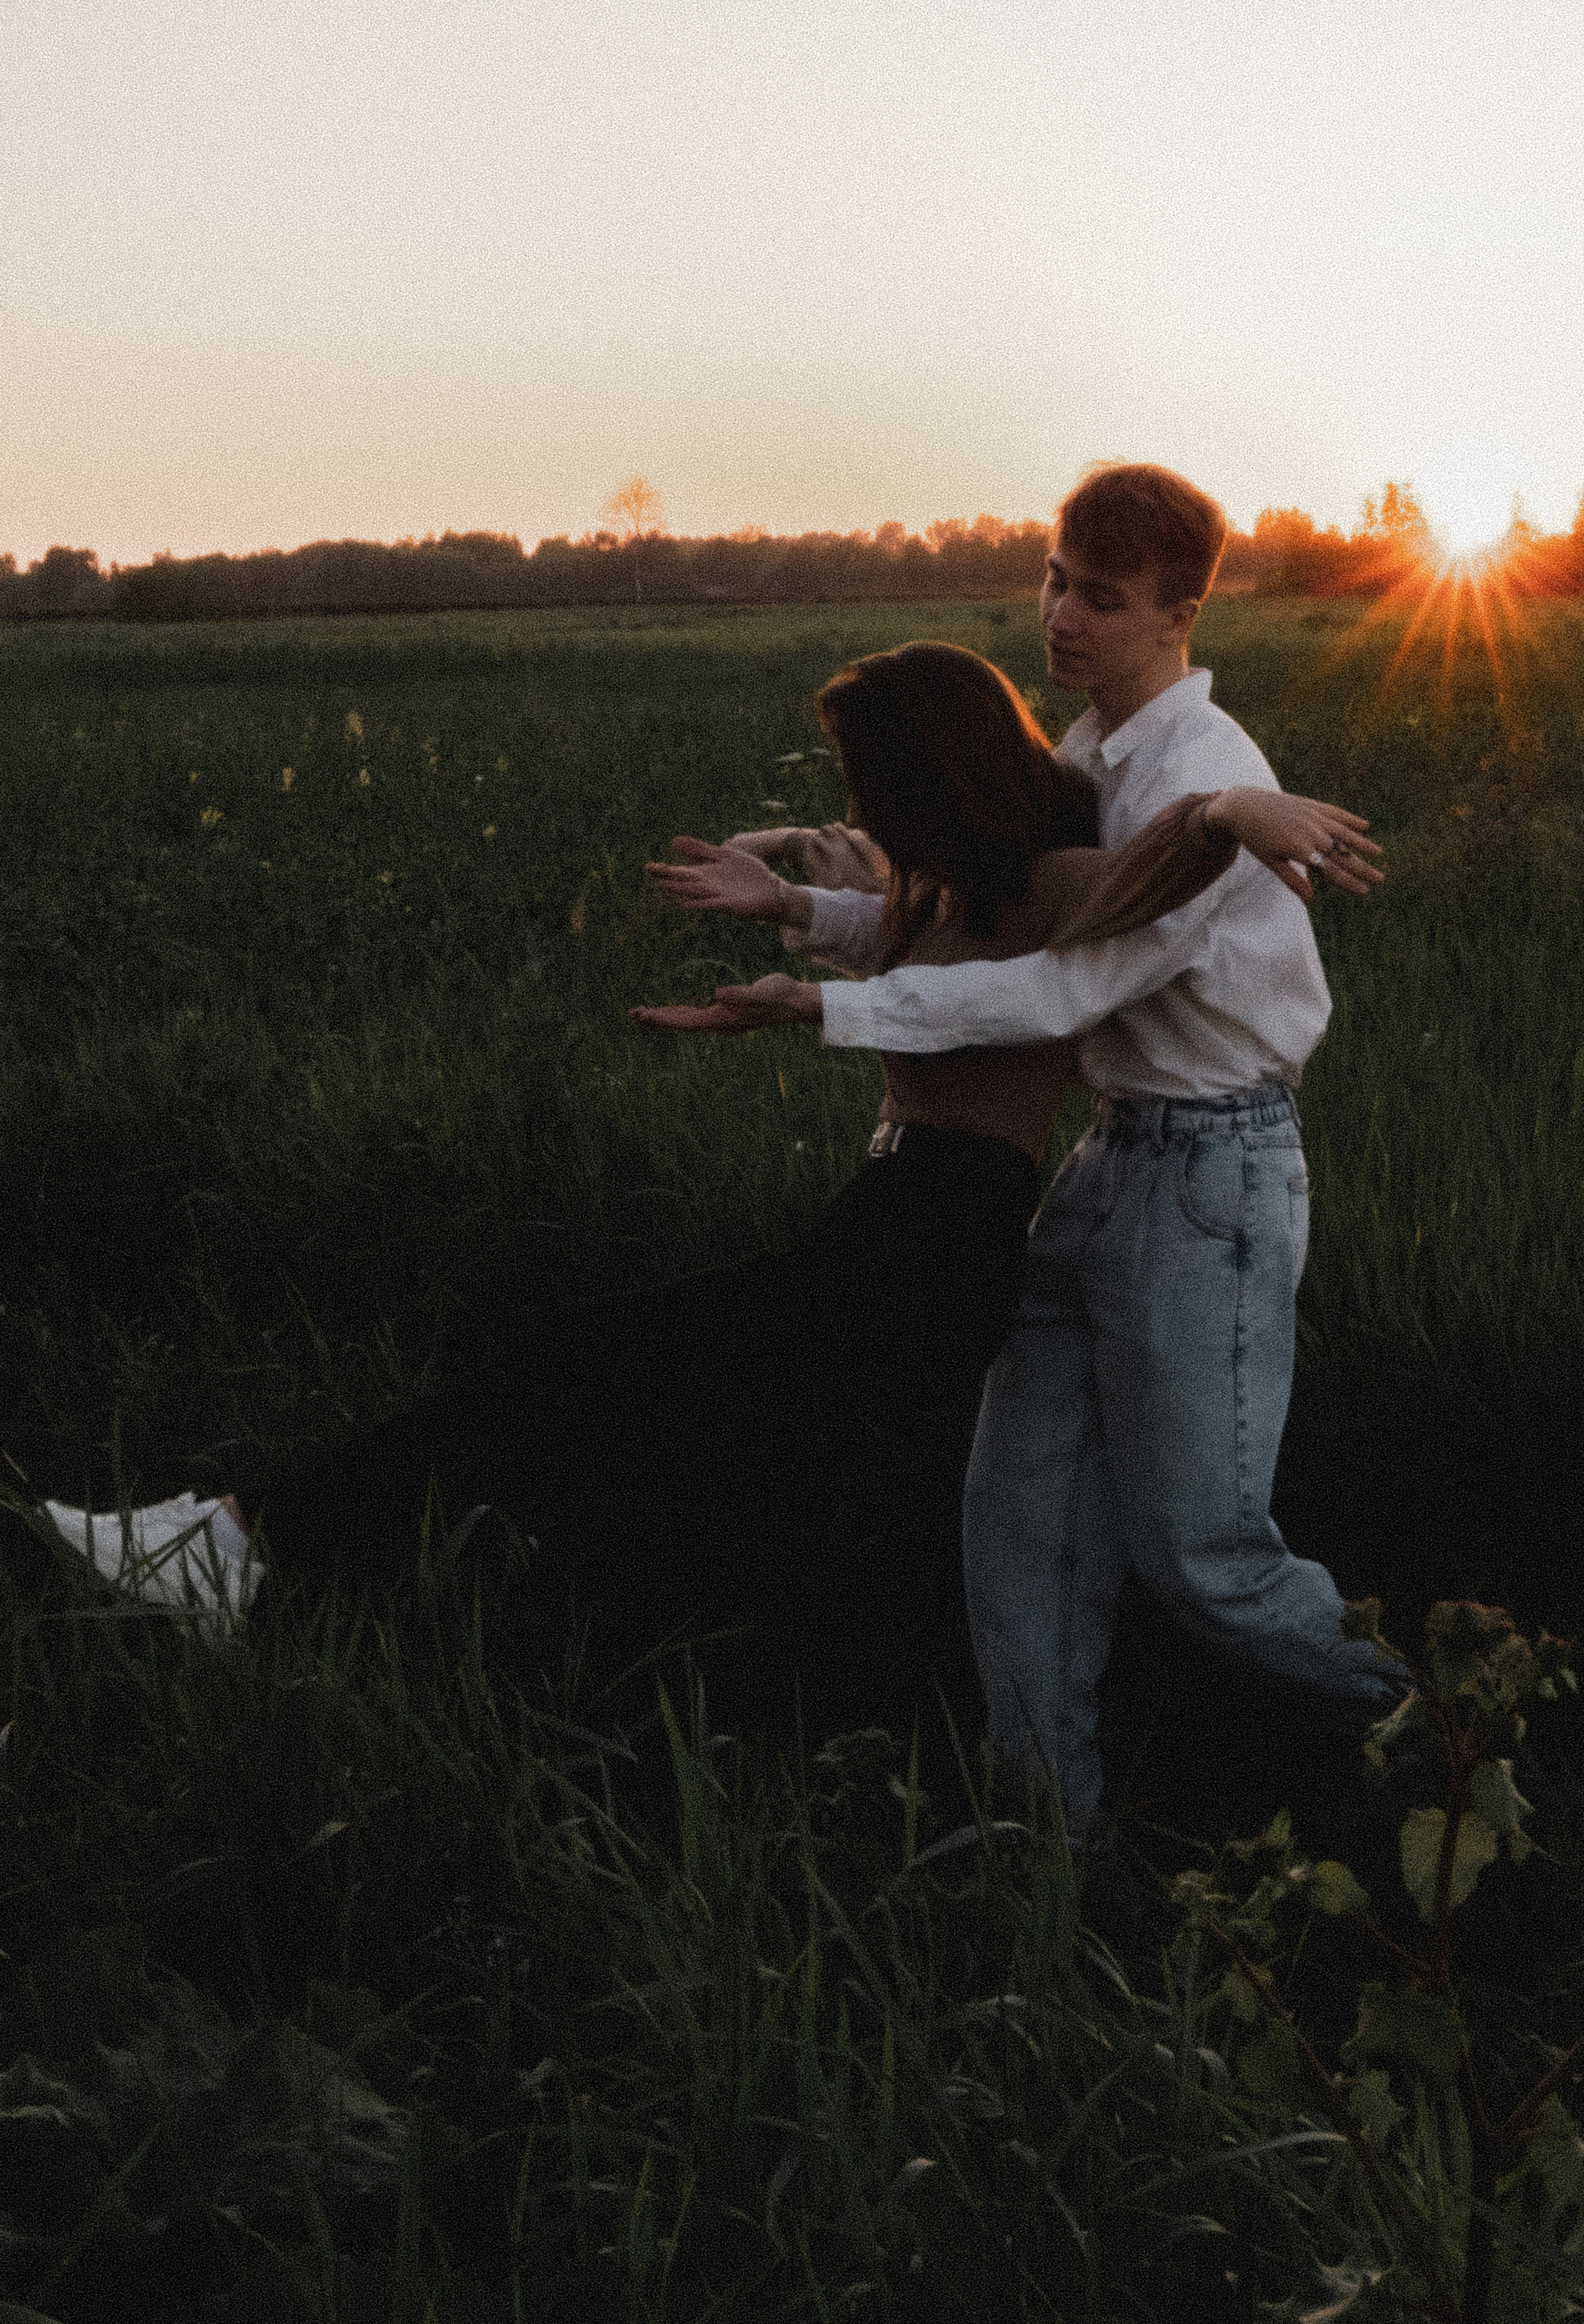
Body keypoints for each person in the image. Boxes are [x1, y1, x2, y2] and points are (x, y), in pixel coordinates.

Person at [34, 639, 1372, 1746]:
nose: (865, 798)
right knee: (741, 1484)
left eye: (871, 774)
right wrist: (789, 896)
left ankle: (231, 1548)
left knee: (590, 1387)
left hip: (939, 1237)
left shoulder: (1062, 872)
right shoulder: (967, 869)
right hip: (892, 1218)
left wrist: (1224, 814)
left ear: (932, 765)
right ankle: (280, 1577)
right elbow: (910, 918)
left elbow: (1104, 927)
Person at [663, 468, 1395, 1827]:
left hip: (1214, 1182)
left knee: (1205, 1560)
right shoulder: (1090, 757)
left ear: (1181, 610)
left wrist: (827, 1005)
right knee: (1018, 1545)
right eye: (1056, 579)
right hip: (1108, 1165)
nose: (1060, 614)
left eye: (1099, 597)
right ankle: (1048, 1857)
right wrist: (813, 911)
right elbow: (990, 908)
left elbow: (1059, 989)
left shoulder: (1211, 778)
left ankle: (1447, 1735)